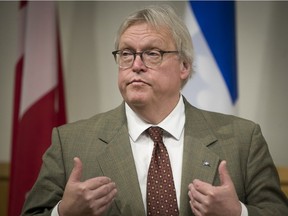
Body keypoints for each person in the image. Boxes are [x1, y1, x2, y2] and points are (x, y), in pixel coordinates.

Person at [22, 4, 288, 216]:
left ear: (184, 66)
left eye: (152, 53)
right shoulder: (70, 143)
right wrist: (63, 213)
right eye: (126, 53)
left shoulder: (243, 139)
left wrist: (238, 213)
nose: (136, 65)